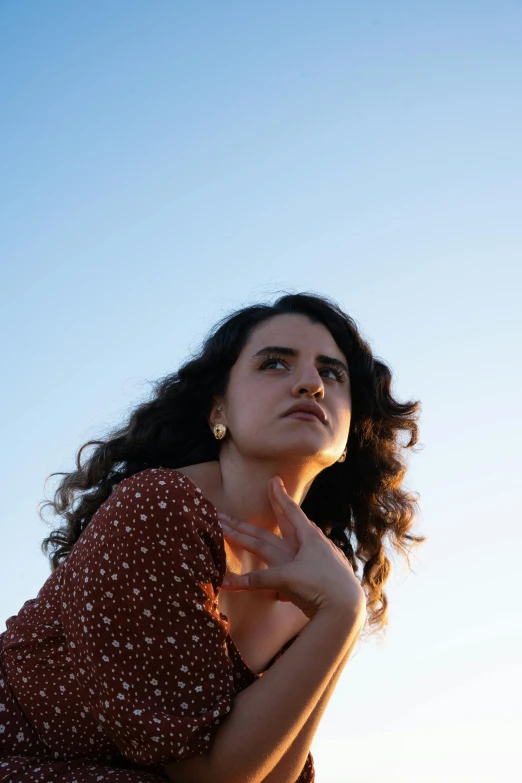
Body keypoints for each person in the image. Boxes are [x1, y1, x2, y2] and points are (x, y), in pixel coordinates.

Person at [0, 292, 424, 782]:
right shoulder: (158, 506)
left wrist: (341, 618)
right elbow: (210, 778)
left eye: (332, 373)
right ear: (217, 408)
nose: (311, 384)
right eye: (275, 364)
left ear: (350, 433)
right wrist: (343, 615)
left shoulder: (323, 578)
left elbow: (271, 774)